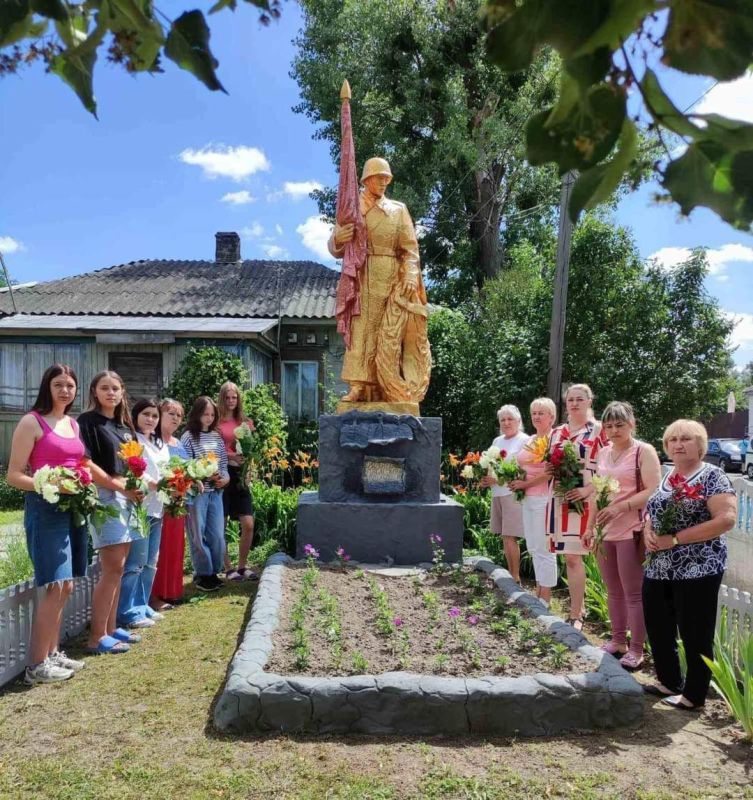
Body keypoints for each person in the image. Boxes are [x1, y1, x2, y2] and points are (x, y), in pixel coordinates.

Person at [643, 419, 737, 710]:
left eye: (686, 439)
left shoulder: (713, 476)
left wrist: (676, 539)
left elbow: (726, 519)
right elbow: (653, 509)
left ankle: (694, 695)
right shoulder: (668, 475)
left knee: (695, 629)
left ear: (700, 444)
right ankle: (669, 681)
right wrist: (648, 529)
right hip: (659, 565)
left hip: (698, 566)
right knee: (658, 623)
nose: (678, 444)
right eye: (672, 440)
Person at [7, 364, 92, 682]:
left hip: (74, 509)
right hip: (44, 509)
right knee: (54, 585)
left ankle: (53, 653)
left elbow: (79, 462)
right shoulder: (32, 421)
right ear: (47, 387)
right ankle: (36, 666)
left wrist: (82, 481)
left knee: (67, 584)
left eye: (70, 385)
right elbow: (14, 475)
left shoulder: (72, 423)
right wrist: (50, 485)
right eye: (58, 384)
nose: (65, 390)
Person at [329, 157, 430, 405]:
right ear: (366, 179)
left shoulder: (398, 210)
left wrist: (409, 273)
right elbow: (335, 247)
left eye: (387, 178)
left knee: (389, 333)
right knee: (362, 330)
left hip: (391, 277)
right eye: (379, 177)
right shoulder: (352, 208)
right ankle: (359, 385)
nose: (384, 182)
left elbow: (410, 249)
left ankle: (389, 387)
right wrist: (339, 238)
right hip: (362, 275)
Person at [584, 402, 661, 670]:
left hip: (632, 530)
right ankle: (618, 641)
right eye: (608, 425)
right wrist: (590, 526)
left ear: (632, 424)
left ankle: (637, 649)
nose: (613, 430)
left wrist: (622, 506)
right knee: (613, 590)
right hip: (606, 532)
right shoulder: (603, 454)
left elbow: (654, 490)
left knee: (633, 593)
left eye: (619, 425)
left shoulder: (643, 451)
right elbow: (597, 493)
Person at [78, 370, 144, 654]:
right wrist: (117, 486)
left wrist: (134, 486)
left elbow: (132, 462)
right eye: (104, 388)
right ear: (94, 392)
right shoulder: (88, 422)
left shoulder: (123, 425)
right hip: (107, 495)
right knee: (111, 567)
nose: (111, 393)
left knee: (121, 566)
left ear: (122, 393)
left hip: (126, 496)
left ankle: (110, 627)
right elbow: (86, 462)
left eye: (115, 388)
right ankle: (96, 638)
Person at [546, 383, 607, 631]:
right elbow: (549, 464)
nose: (574, 403)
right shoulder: (556, 432)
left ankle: (577, 614)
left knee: (578, 555)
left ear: (590, 401)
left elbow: (608, 467)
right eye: (570, 399)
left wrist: (587, 489)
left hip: (587, 500)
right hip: (560, 499)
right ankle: (577, 609)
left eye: (580, 399)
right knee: (569, 557)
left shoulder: (599, 431)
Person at [116, 397, 170, 629]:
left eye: (155, 416)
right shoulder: (132, 440)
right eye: (146, 414)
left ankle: (142, 603)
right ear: (136, 416)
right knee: (136, 562)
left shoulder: (159, 443)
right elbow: (134, 469)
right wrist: (155, 484)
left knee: (150, 561)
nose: (150, 419)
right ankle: (128, 611)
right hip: (139, 506)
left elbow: (167, 470)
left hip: (158, 507)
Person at [510, 398, 558, 604]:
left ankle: (545, 597)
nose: (537, 417)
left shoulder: (553, 440)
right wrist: (514, 478)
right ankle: (539, 591)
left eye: (541, 413)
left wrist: (525, 485)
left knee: (544, 547)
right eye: (534, 413)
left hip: (544, 498)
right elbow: (522, 465)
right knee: (533, 546)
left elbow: (550, 473)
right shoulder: (530, 440)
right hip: (528, 498)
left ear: (552, 417)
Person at [181, 396, 230, 593]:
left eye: (212, 414)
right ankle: (203, 573)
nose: (209, 418)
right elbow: (185, 466)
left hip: (216, 493)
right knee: (197, 535)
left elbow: (224, 464)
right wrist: (201, 475)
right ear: (197, 414)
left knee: (217, 535)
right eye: (205, 414)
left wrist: (225, 478)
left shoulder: (217, 437)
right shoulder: (188, 437)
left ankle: (214, 571)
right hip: (198, 494)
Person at [479, 405, 530, 584]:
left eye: (510, 419)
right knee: (505, 536)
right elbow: (491, 466)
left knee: (510, 536)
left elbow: (525, 471)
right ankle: (511, 575)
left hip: (512, 493)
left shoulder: (525, 440)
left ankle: (515, 578)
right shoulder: (497, 441)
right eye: (503, 420)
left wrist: (497, 479)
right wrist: (486, 479)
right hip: (497, 493)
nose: (506, 423)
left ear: (519, 421)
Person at [151, 399, 192, 609]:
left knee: (176, 547)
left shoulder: (178, 443)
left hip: (179, 501)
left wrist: (195, 481)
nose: (176, 418)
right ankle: (155, 594)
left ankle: (172, 591)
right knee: (160, 548)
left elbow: (187, 470)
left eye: (179, 415)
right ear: (160, 415)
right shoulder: (155, 442)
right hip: (161, 502)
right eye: (171, 414)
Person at [217, 382, 257, 581]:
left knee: (248, 523)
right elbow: (211, 449)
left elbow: (250, 450)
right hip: (222, 476)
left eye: (234, 397)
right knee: (221, 524)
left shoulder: (245, 422)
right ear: (222, 399)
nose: (231, 401)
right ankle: (228, 567)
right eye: (227, 397)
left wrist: (249, 466)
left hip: (241, 476)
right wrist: (231, 456)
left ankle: (242, 566)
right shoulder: (216, 422)